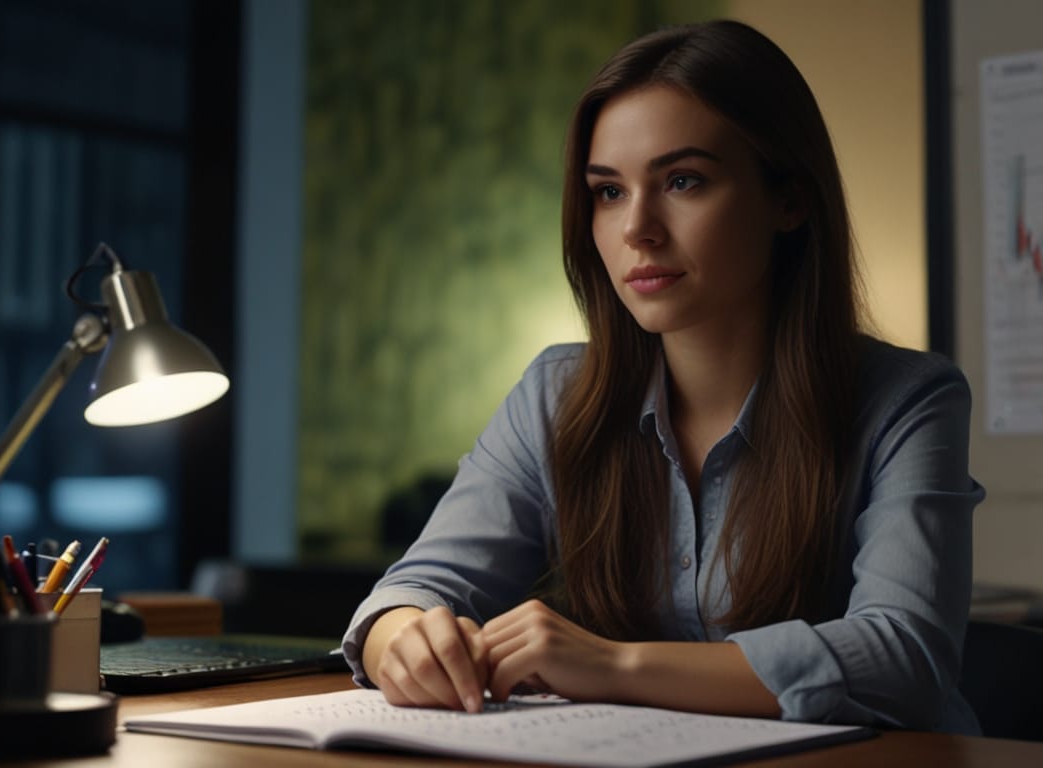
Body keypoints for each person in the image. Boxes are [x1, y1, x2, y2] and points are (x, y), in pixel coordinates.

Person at [342, 18, 985, 732]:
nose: (637, 229)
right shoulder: (556, 397)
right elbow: (412, 590)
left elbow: (906, 659)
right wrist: (403, 637)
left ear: (789, 201)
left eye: (683, 181)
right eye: (609, 192)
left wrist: (615, 666)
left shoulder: (907, 400)